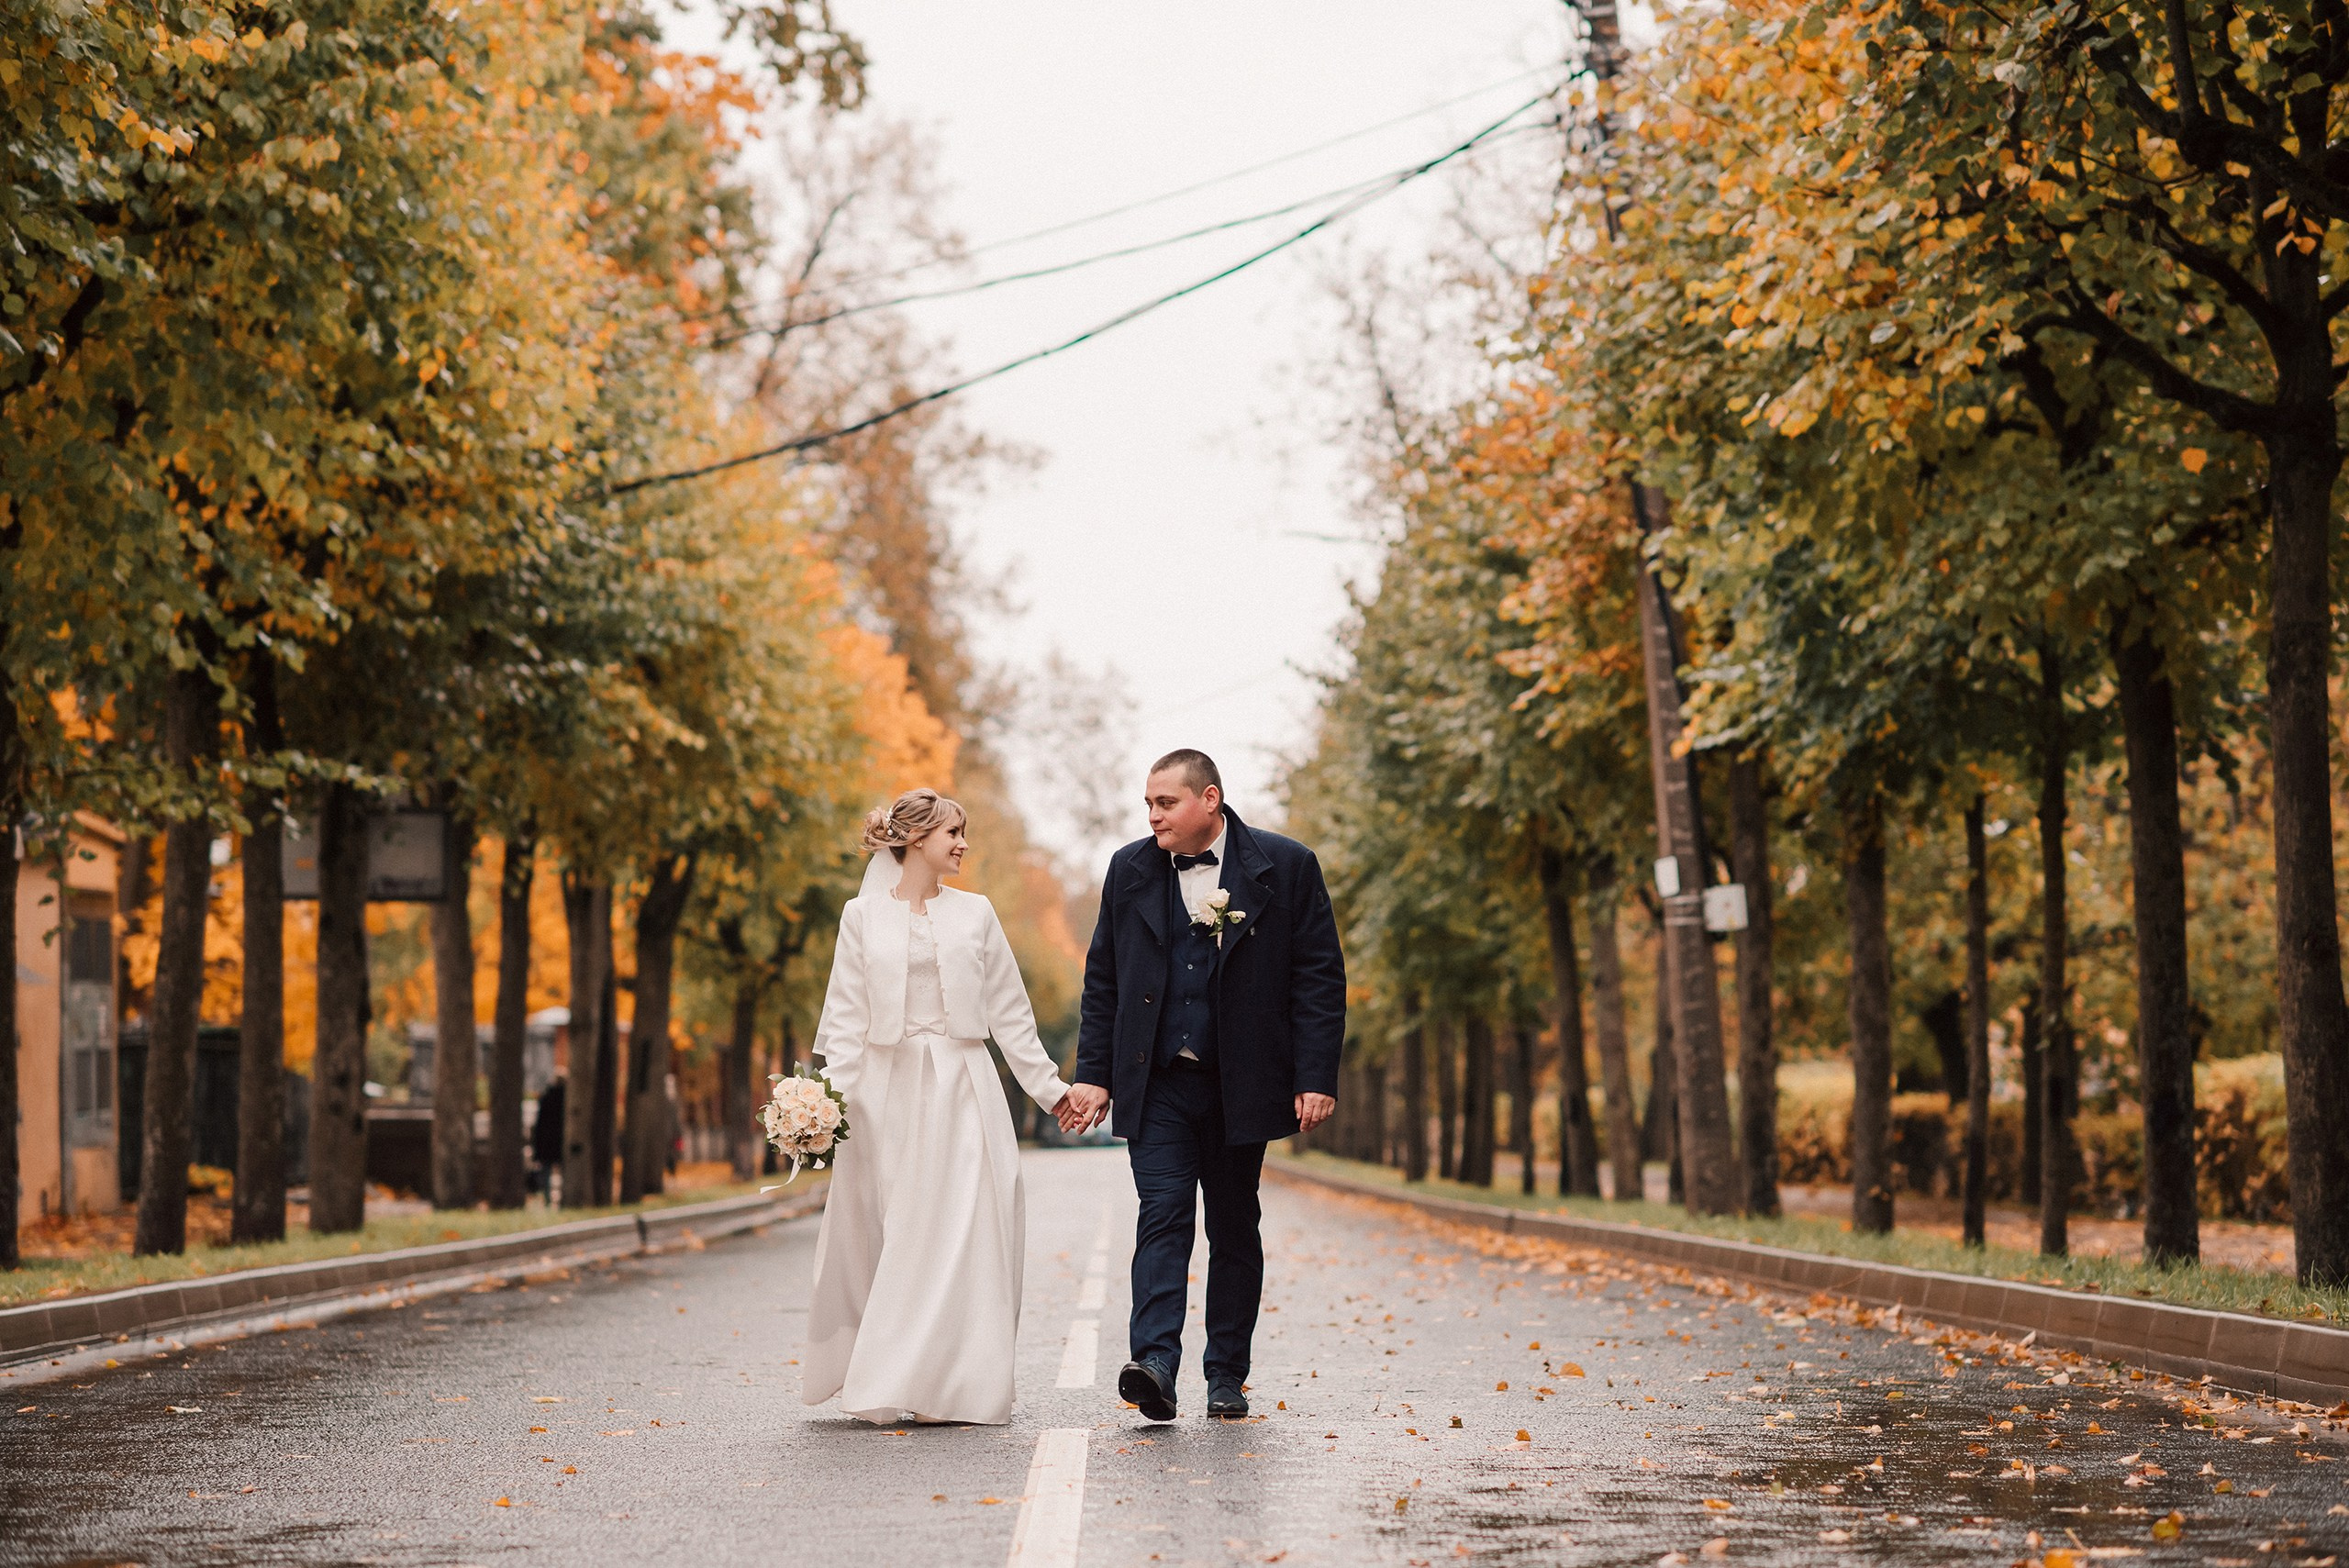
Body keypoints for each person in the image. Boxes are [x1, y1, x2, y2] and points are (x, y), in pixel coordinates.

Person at [1057, 749, 1346, 1421]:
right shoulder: (1128, 868)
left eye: (1166, 802)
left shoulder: (1287, 865)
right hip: (1155, 1082)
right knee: (1162, 1214)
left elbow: (1318, 977)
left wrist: (1314, 1075)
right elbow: (1103, 978)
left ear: (1209, 799)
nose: (1152, 815)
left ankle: (1227, 1375)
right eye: (1148, 803)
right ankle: (1154, 1362)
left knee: (1234, 1224)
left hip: (1240, 1082)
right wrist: (1094, 1072)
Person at [801, 788, 1073, 1426]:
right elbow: (844, 1018)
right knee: (902, 1235)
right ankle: (889, 1378)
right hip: (882, 1095)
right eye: (953, 832)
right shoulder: (859, 917)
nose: (963, 844)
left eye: (964, 832)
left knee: (966, 1231)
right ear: (916, 838)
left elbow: (1010, 1012)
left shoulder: (977, 913)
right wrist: (821, 1106)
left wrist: (1052, 1090)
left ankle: (961, 1383)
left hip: (963, 1087)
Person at [529, 1076, 565, 1203]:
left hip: (546, 1143)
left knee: (546, 1172)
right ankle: (563, 1199)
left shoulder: (545, 1098)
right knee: (565, 1171)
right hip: (562, 1141)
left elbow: (539, 1124)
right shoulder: (566, 1101)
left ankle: (548, 1200)